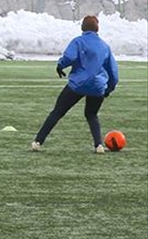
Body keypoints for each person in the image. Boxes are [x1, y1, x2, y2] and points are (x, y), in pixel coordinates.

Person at [31, 15, 119, 153]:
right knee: (91, 115)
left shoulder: (78, 42)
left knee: (58, 112)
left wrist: (60, 66)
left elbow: (69, 57)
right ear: (97, 29)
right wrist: (109, 88)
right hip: (97, 86)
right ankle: (99, 145)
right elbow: (113, 71)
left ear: (82, 28)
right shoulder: (104, 46)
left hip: (78, 84)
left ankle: (38, 141)